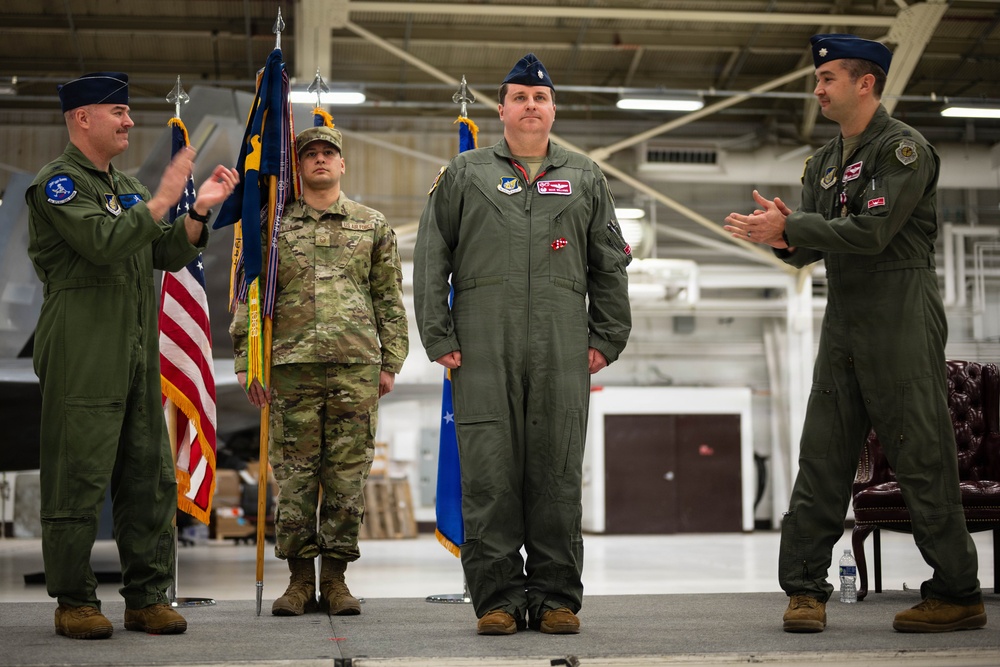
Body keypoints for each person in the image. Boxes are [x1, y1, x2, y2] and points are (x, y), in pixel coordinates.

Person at [724, 34, 986, 634]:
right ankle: (806, 591)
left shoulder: (904, 151)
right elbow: (812, 248)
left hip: (901, 312)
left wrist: (796, 225)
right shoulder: (821, 164)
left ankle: (956, 591)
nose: (817, 89)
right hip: (842, 315)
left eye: (827, 79)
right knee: (822, 456)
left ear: (865, 83)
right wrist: (782, 235)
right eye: (817, 80)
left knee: (921, 456)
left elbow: (871, 233)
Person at [413, 53, 632, 635]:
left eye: (540, 98)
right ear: (502, 109)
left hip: (563, 340)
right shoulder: (465, 173)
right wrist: (438, 334)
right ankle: (497, 600)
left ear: (552, 109)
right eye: (519, 97)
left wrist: (608, 337)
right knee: (489, 474)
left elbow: (610, 264)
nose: (530, 106)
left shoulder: (586, 175)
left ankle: (557, 597)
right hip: (482, 340)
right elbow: (432, 256)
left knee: (558, 471)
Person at [26, 71, 239, 639]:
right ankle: (74, 600)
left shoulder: (129, 189)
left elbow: (165, 252)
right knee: (79, 475)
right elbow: (103, 243)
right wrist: (166, 196)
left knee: (149, 473)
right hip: (83, 342)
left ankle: (146, 597)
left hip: (138, 343)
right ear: (82, 119)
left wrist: (197, 211)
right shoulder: (58, 186)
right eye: (116, 112)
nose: (129, 121)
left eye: (127, 112)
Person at [230, 125, 408, 617]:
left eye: (330, 153)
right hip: (289, 369)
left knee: (347, 479)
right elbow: (249, 298)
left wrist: (390, 361)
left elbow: (388, 297)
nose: (321, 160)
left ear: (343, 164)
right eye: (311, 154)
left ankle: (335, 580)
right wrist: (248, 363)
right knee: (294, 479)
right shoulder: (272, 226)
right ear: (299, 166)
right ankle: (297, 583)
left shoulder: (371, 224)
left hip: (356, 368)